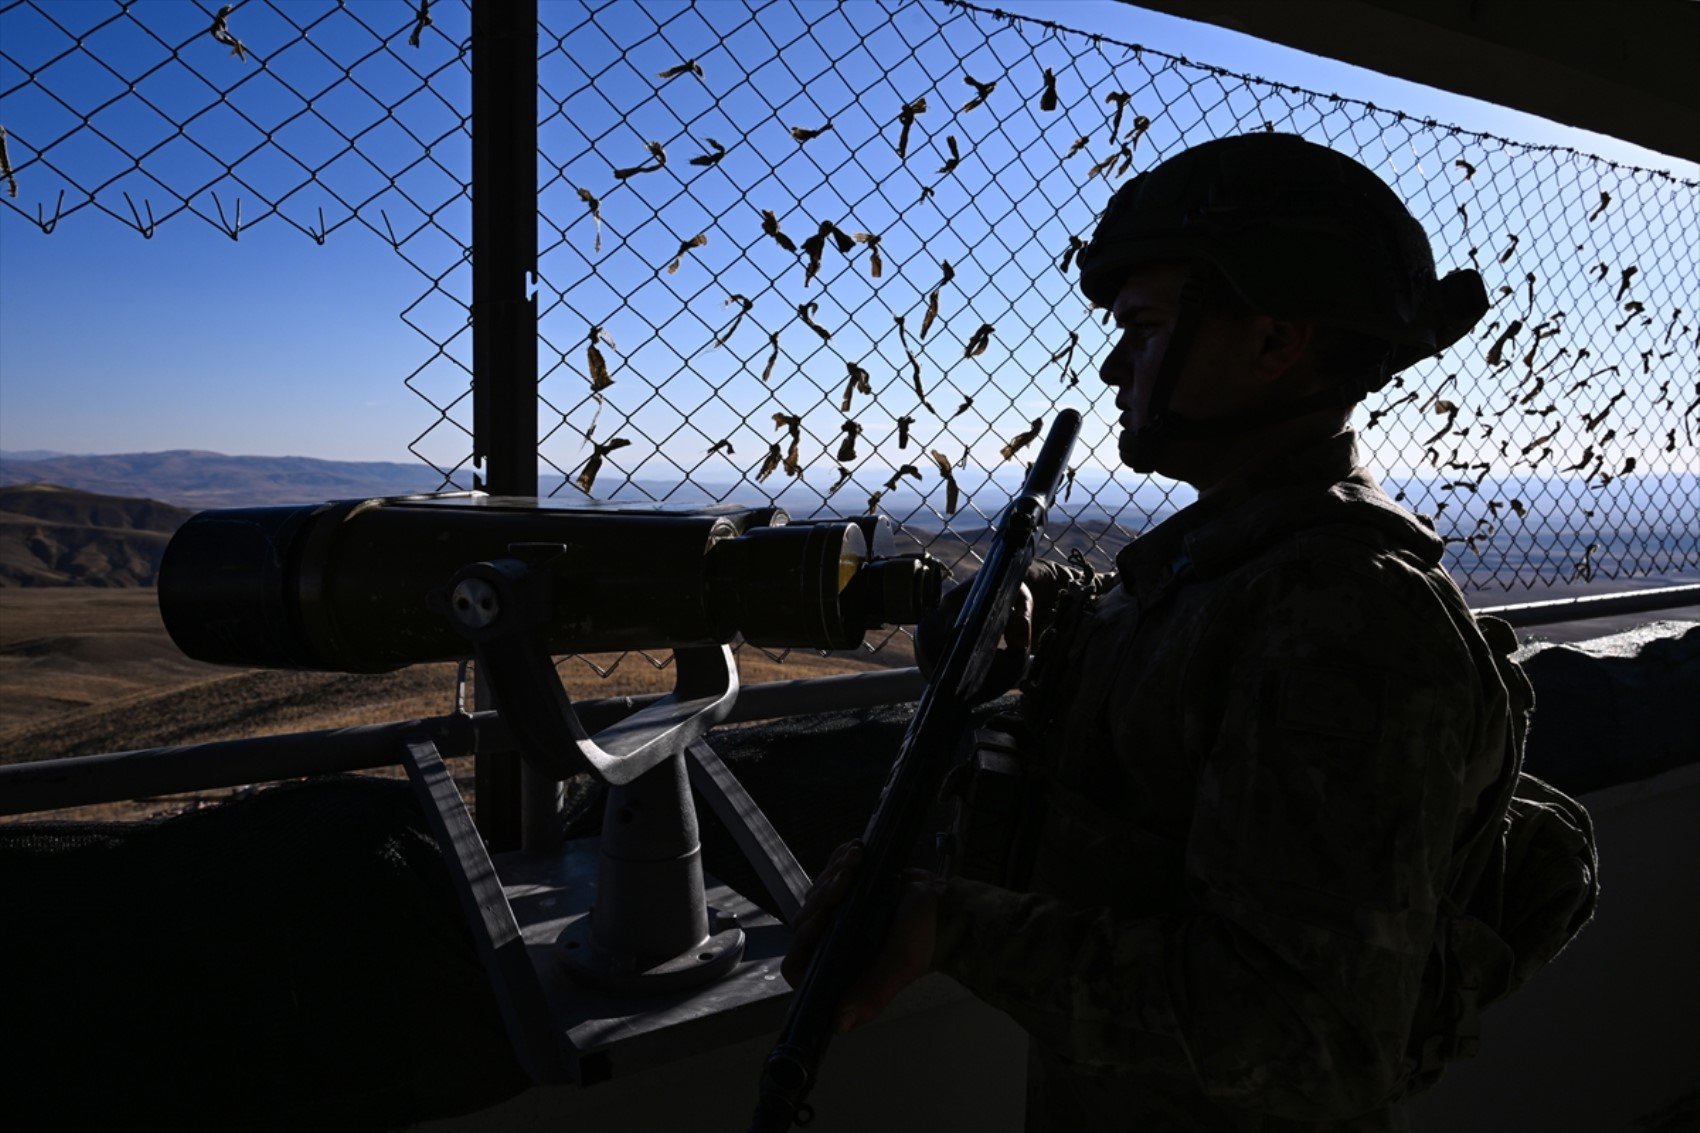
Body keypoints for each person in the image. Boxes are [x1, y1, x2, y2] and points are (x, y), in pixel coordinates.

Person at [783, 132, 1540, 1131]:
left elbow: (1306, 1035)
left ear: (1272, 343)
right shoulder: (1245, 556)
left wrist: (946, 924)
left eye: (1140, 326)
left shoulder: (1348, 623)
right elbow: (1159, 616)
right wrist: (1032, 600)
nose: (1111, 365)